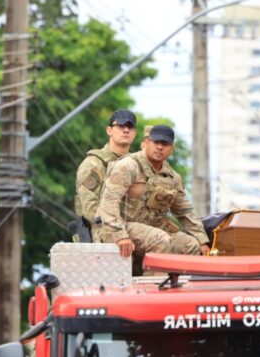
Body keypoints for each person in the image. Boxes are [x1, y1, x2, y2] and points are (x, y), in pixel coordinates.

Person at [97, 124, 210, 260]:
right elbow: (109, 203)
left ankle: (177, 282)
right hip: (118, 226)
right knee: (160, 240)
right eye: (156, 142)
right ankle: (154, 282)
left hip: (151, 228)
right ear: (147, 143)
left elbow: (185, 211)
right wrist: (120, 234)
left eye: (165, 144)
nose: (160, 147)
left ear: (171, 149)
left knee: (191, 246)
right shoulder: (128, 166)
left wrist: (202, 240)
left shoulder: (173, 177)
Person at [74, 109, 138, 241]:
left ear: (135, 133)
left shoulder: (137, 165)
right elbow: (90, 208)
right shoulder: (94, 163)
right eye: (120, 126)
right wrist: (117, 226)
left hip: (133, 228)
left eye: (130, 127)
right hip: (103, 231)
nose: (126, 130)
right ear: (109, 130)